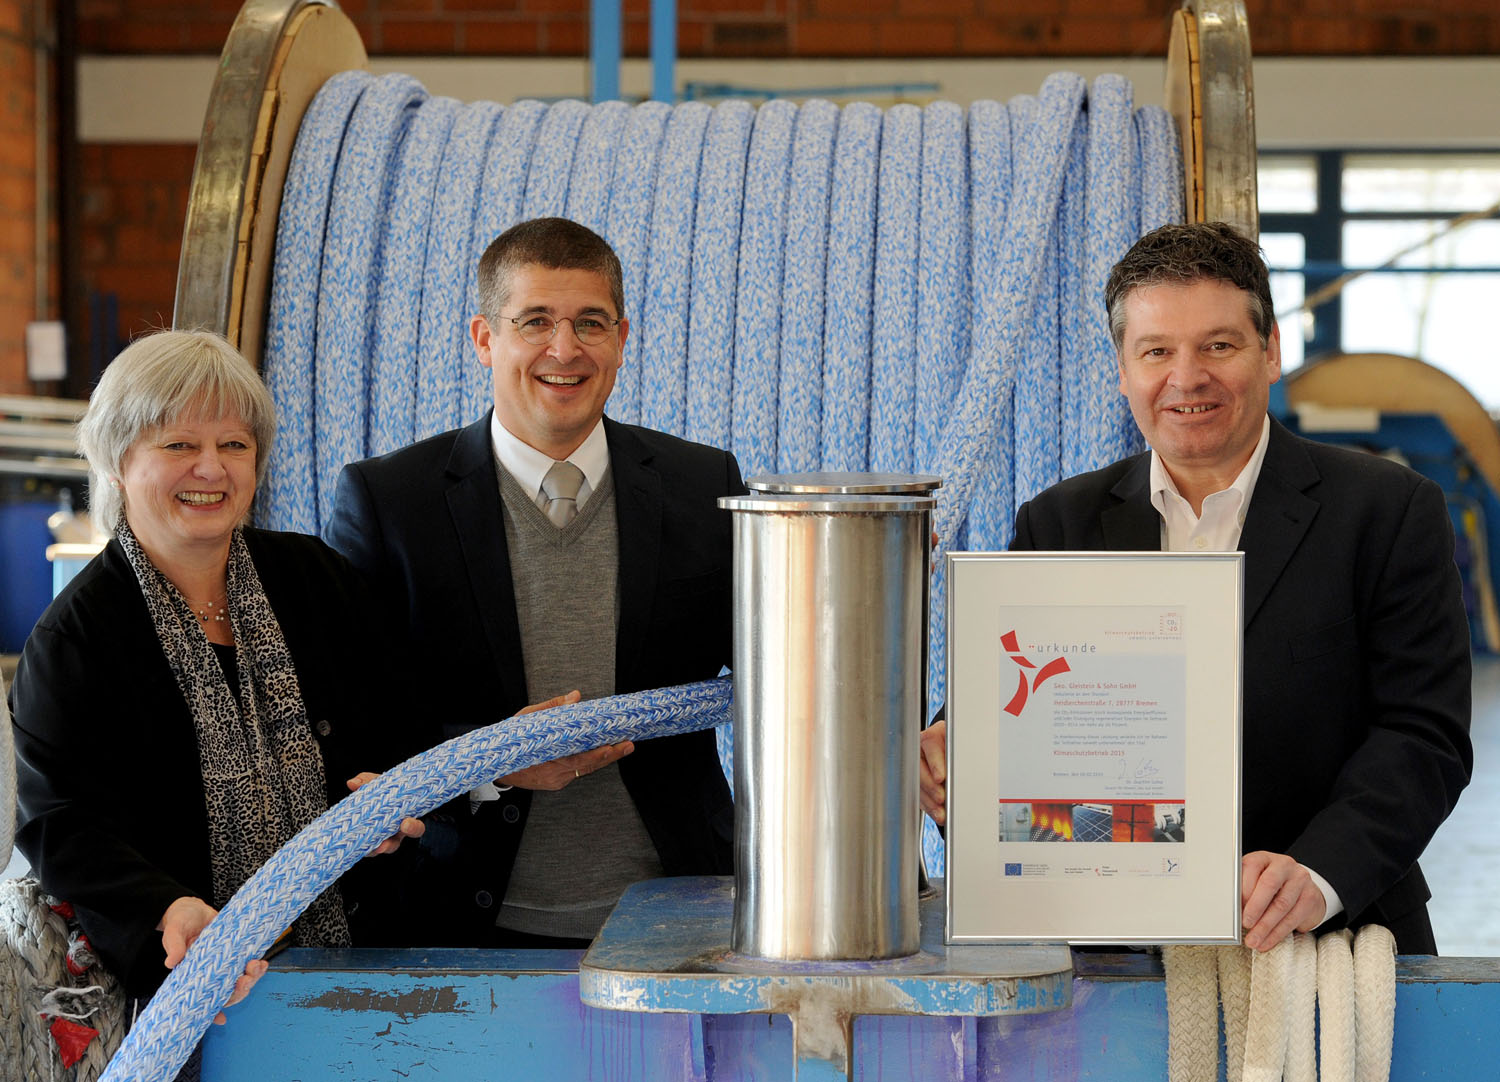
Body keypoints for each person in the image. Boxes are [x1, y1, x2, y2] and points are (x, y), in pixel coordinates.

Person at [920, 222, 1472, 954]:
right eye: (1156, 352)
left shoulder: (1387, 511)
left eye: (1218, 345)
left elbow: (1423, 734)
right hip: (1110, 949)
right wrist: (953, 759)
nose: (1187, 378)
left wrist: (1318, 873)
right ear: (1122, 369)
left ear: (1270, 351)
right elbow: (1010, 715)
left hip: (1333, 938)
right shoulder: (1059, 522)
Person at [324, 216, 739, 948]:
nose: (565, 349)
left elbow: (780, 670)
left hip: (683, 913)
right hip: (464, 926)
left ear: (622, 339)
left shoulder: (705, 484)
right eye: (536, 321)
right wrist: (495, 763)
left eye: (591, 323)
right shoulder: (390, 503)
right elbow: (349, 722)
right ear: (484, 339)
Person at [8, 330, 418, 1023]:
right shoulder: (74, 639)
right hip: (194, 991)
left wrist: (389, 797)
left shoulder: (317, 580)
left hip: (362, 970)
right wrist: (166, 906)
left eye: (234, 444)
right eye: (178, 445)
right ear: (116, 461)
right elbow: (60, 825)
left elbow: (399, 721)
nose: (211, 468)